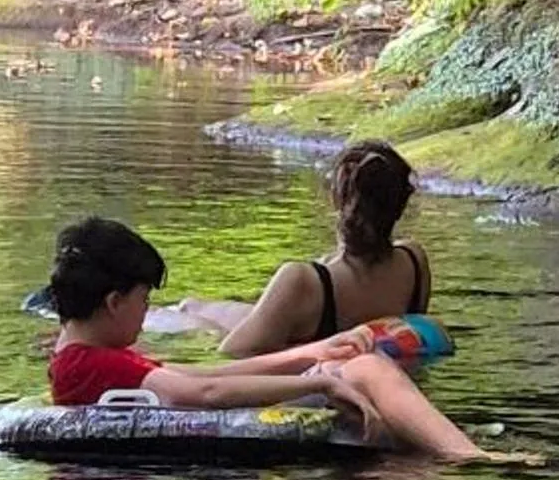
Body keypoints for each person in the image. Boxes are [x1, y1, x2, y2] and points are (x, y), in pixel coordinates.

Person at [45, 216, 491, 460]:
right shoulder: (91, 363)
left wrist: (310, 353)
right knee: (364, 368)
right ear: (114, 301)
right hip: (213, 435)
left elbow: (201, 373)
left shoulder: (86, 358)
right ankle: (468, 455)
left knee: (345, 367)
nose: (146, 313)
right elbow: (205, 390)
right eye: (143, 300)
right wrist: (319, 381)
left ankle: (446, 447)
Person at [173, 139, 435, 356]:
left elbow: (230, 354)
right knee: (193, 306)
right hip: (337, 334)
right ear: (400, 207)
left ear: (336, 199)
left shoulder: (304, 280)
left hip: (311, 344)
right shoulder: (414, 261)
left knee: (187, 312)